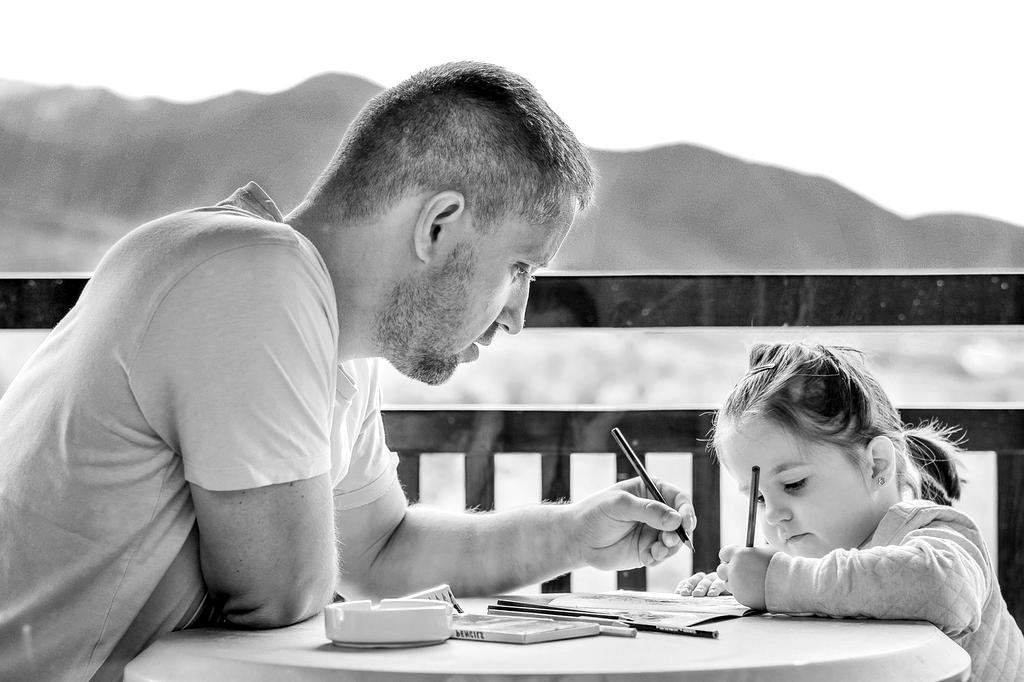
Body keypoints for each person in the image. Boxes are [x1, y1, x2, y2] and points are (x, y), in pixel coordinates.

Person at [0, 61, 696, 682]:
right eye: (518, 268)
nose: (516, 315)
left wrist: (574, 532)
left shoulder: (324, 331)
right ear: (438, 225)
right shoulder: (252, 275)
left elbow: (384, 553)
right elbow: (282, 598)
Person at [674, 341, 1023, 681]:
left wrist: (776, 581)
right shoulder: (812, 563)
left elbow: (944, 592)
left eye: (794, 484)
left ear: (876, 465)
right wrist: (741, 593)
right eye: (759, 499)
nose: (772, 516)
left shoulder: (937, 534)